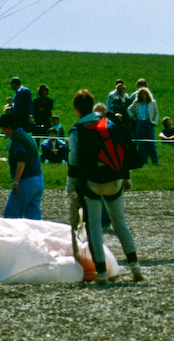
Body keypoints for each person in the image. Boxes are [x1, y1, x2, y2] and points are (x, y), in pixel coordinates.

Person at [66, 89, 143, 285]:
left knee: (94, 228)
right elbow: (122, 149)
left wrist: (71, 189)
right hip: (115, 179)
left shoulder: (77, 130)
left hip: (93, 183)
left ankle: (101, 275)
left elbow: (73, 163)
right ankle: (135, 267)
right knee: (120, 223)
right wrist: (126, 177)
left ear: (77, 109)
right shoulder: (107, 123)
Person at [0, 113, 43, 219]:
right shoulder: (27, 135)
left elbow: (21, 160)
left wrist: (16, 182)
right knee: (33, 217)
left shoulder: (18, 138)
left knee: (11, 214)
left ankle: (11, 236)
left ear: (8, 127)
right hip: (38, 178)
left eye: (3, 128)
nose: (2, 132)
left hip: (27, 180)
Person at [127, 87, 160, 165]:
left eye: (144, 94)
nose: (143, 96)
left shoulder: (152, 102)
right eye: (141, 94)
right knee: (141, 142)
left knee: (151, 142)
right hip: (140, 122)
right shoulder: (137, 103)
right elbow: (129, 109)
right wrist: (133, 117)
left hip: (149, 122)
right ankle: (144, 160)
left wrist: (154, 122)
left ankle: (154, 160)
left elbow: (156, 113)